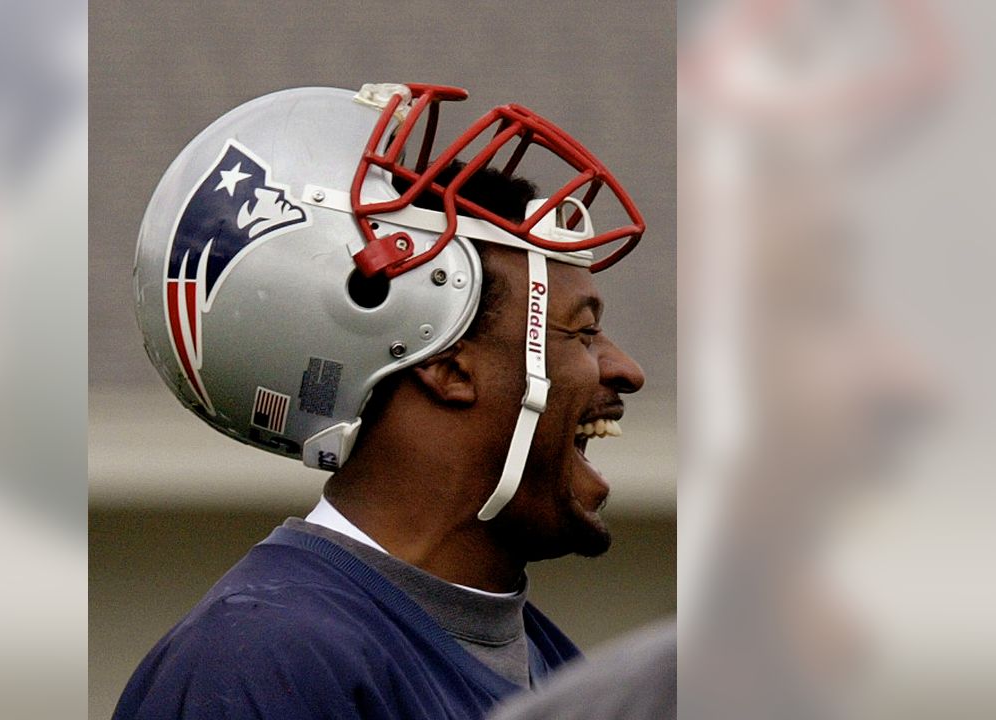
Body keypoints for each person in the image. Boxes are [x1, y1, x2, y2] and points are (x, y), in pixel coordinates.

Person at [116, 83, 652, 719]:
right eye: (582, 331)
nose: (626, 370)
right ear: (447, 362)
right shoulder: (263, 659)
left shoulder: (554, 664)